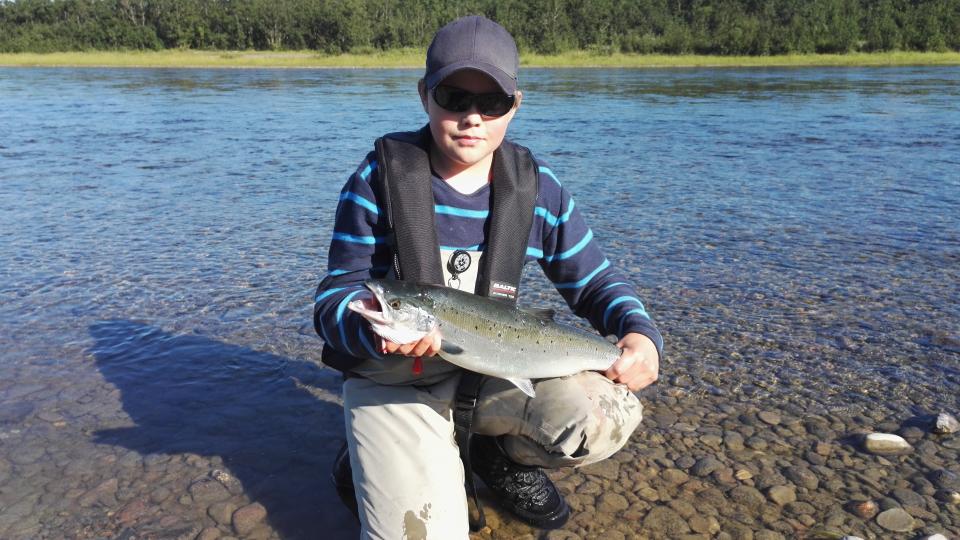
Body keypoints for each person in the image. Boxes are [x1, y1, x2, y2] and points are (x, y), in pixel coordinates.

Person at [313, 15, 663, 539]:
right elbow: (334, 298)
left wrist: (638, 334)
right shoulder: (377, 180)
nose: (471, 117)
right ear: (424, 96)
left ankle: (494, 453)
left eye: (491, 104)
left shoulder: (537, 187)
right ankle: (369, 456)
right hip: (395, 382)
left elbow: (594, 283)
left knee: (602, 417)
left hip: (497, 367)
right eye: (454, 97)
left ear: (514, 106)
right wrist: (369, 332)